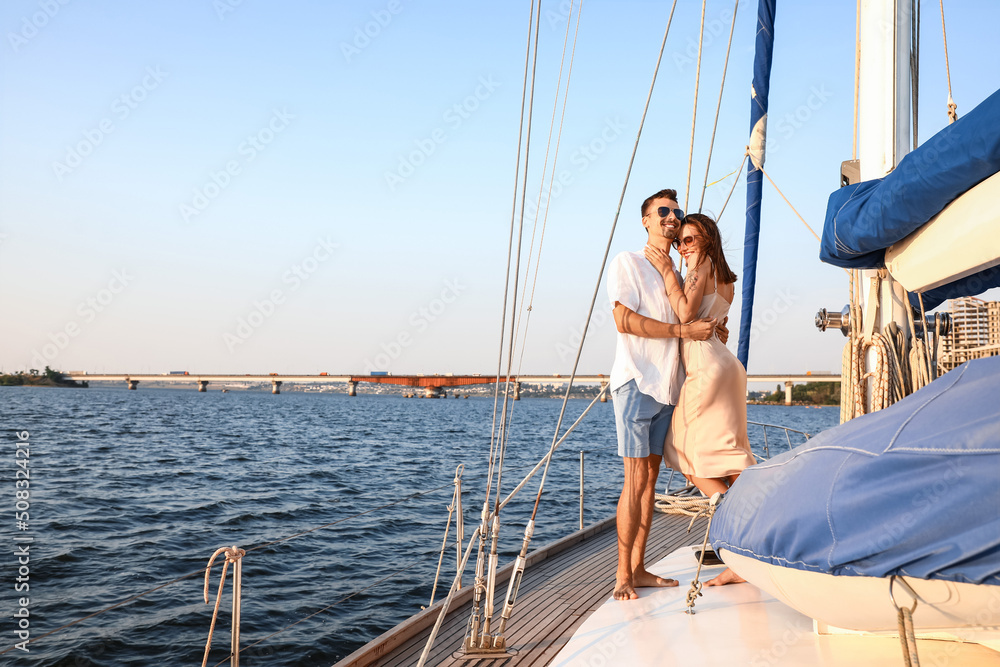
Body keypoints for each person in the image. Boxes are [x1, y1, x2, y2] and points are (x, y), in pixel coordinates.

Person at [608, 189, 723, 601]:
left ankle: (639, 568)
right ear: (645, 220)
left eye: (676, 211)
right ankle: (623, 575)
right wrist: (681, 331)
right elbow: (624, 320)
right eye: (663, 211)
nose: (672, 216)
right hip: (638, 382)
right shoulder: (631, 262)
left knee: (651, 482)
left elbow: (688, 312)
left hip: (668, 386)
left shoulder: (675, 268)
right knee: (635, 480)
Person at [644, 212, 755, 587]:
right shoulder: (727, 279)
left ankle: (740, 536)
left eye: (689, 239)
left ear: (707, 239)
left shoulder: (700, 265)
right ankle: (754, 525)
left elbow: (687, 312)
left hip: (706, 370)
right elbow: (714, 322)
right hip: (727, 367)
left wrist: (667, 272)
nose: (682, 247)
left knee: (685, 454)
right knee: (730, 456)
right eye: (679, 243)